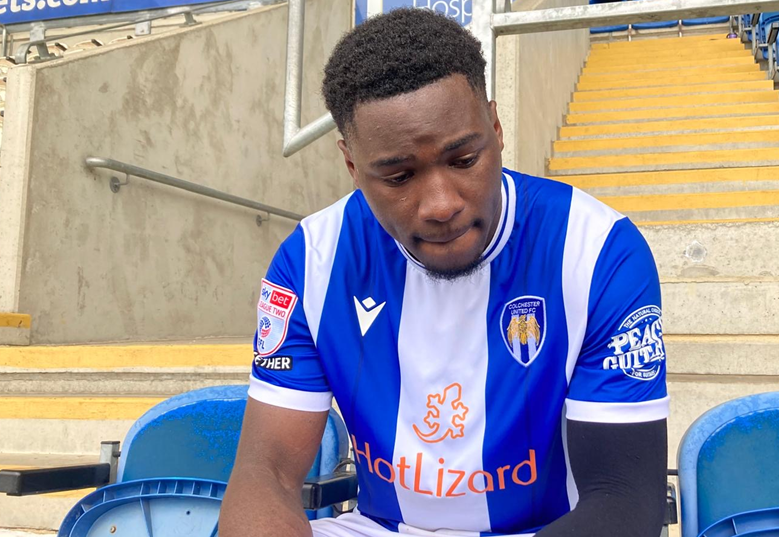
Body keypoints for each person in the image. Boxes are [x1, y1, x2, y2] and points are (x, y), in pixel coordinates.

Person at [219, 8, 668, 537]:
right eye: (399, 175)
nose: (440, 204)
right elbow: (265, 473)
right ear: (350, 164)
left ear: (495, 128)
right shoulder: (310, 260)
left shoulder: (596, 250)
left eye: (463, 160)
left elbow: (624, 501)